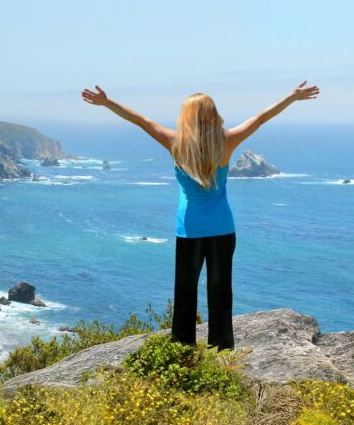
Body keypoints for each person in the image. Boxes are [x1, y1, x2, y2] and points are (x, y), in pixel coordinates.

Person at [80, 80, 320, 351]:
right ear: (213, 114)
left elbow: (141, 121)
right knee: (221, 290)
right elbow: (260, 119)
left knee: (185, 291)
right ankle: (222, 350)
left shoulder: (175, 142)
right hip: (222, 229)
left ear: (186, 117)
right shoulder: (226, 141)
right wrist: (291, 97)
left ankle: (183, 349)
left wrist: (106, 102)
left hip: (189, 230)